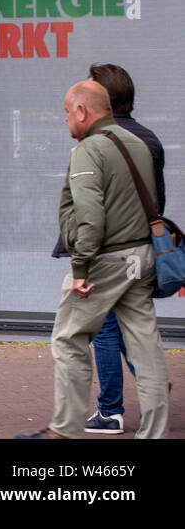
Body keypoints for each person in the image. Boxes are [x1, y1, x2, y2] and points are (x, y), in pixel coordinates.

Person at [18, 80, 168, 438]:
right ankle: (155, 434)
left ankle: (64, 431)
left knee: (69, 339)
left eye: (68, 112)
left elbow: (90, 214)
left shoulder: (89, 150)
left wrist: (80, 266)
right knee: (146, 350)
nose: (66, 120)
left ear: (83, 111)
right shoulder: (138, 143)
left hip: (105, 261)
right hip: (142, 257)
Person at [84, 64, 166, 434]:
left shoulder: (100, 142)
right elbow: (157, 201)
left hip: (108, 252)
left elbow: (91, 207)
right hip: (142, 252)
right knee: (135, 327)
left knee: (104, 330)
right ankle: (151, 388)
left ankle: (111, 410)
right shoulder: (150, 139)